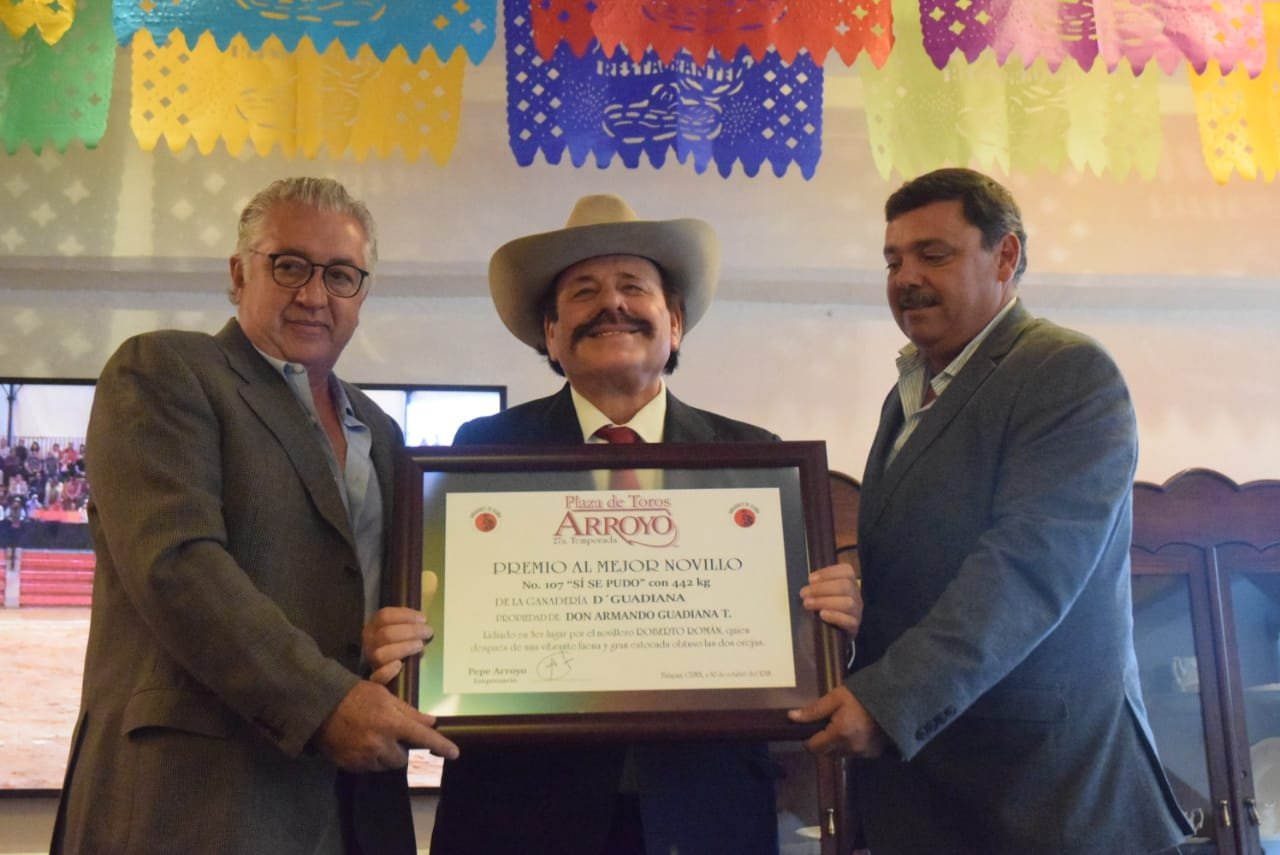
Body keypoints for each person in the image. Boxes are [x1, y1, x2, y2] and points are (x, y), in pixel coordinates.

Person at [364, 194, 860, 855]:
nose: (612, 304)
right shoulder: (482, 450)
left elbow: (793, 651)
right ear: (551, 333)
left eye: (633, 286)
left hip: (705, 817)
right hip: (517, 817)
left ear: (674, 322)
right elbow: (443, 622)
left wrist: (829, 626)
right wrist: (409, 638)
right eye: (584, 291)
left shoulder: (751, 457)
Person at [51, 177, 459, 855]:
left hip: (357, 808)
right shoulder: (165, 372)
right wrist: (328, 701)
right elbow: (178, 567)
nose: (314, 294)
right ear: (239, 274)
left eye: (340, 275)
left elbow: (385, 601)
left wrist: (405, 639)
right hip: (199, 801)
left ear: (361, 294)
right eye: (290, 265)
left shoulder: (382, 432)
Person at [789, 168, 1191, 853]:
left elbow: (1028, 569)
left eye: (933, 254)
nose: (906, 278)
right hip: (938, 796)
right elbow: (919, 573)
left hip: (1048, 799)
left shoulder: (1065, 372)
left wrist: (889, 701)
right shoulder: (909, 394)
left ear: (1005, 256)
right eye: (893, 260)